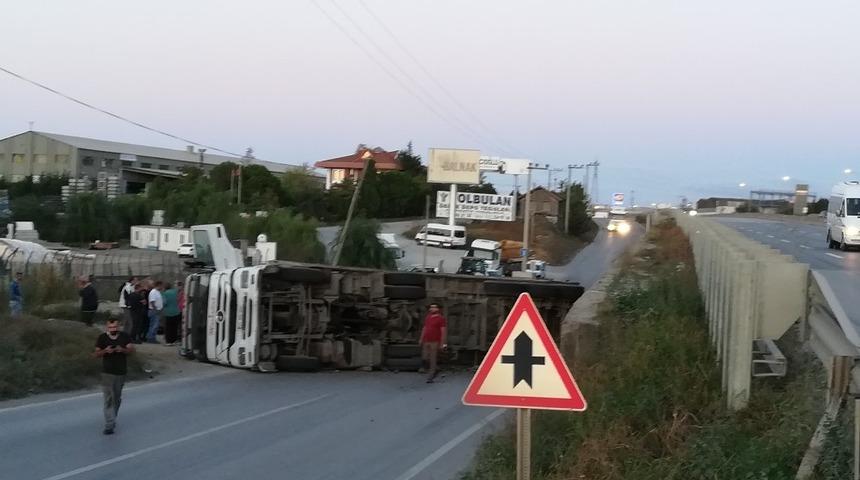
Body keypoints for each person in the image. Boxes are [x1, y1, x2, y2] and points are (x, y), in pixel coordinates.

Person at [93, 318, 134, 435]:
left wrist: (123, 350)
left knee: (116, 398)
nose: (113, 329)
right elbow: (96, 354)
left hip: (121, 372)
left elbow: (131, 350)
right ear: (107, 328)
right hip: (107, 373)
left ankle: (113, 417)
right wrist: (105, 351)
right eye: (111, 327)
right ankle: (109, 424)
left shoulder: (124, 337)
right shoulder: (102, 338)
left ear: (118, 327)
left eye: (115, 327)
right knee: (108, 399)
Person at [419, 303, 447, 383]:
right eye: (431, 307)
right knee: (425, 357)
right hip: (426, 340)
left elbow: (443, 331)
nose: (432, 309)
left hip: (435, 341)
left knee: (432, 359)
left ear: (438, 309)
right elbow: (425, 328)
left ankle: (430, 377)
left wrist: (442, 343)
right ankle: (436, 369)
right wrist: (421, 338)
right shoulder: (428, 317)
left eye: (434, 307)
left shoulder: (441, 319)